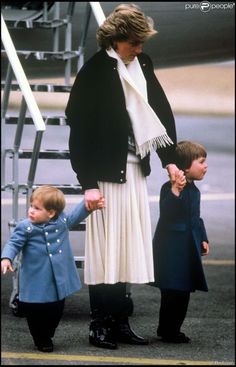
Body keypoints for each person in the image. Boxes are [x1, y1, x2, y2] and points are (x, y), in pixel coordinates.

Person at [65, 3, 183, 349]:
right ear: (116, 39)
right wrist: (86, 183)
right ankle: (99, 325)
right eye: (134, 42)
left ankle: (120, 322)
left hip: (136, 169)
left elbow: (158, 112)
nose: (140, 48)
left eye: (142, 42)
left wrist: (169, 160)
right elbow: (79, 130)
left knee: (128, 248)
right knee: (106, 252)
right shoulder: (96, 71)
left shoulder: (141, 64)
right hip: (103, 174)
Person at [1, 185, 104, 353]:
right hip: (35, 279)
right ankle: (40, 338)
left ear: (51, 213)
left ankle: (48, 333)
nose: (31, 211)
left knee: (56, 309)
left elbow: (76, 215)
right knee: (34, 311)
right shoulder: (25, 227)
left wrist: (88, 205)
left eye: (37, 208)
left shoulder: (62, 222)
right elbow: (13, 243)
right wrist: (6, 258)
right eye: (31, 206)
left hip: (57, 278)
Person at [151, 141, 210, 343]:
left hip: (187, 249)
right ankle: (167, 330)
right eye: (201, 162)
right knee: (172, 292)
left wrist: (203, 238)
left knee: (183, 292)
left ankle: (172, 329)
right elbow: (167, 213)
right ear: (185, 167)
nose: (205, 166)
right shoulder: (168, 188)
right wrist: (176, 189)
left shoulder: (195, 191)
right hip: (172, 251)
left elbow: (196, 218)